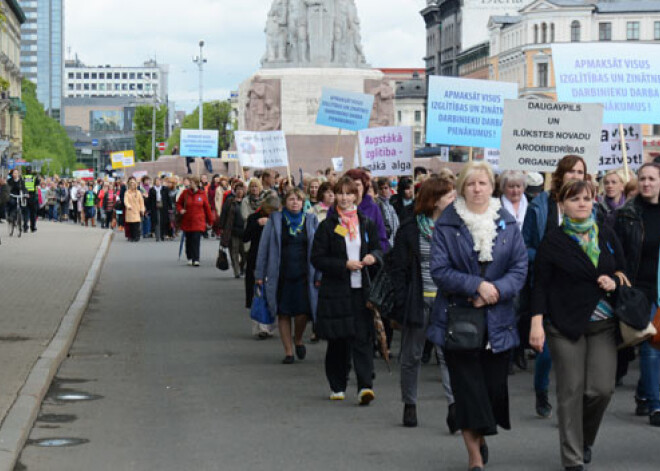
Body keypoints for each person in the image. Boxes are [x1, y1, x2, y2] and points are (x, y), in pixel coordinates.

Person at [427, 161, 527, 471]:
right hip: (458, 318)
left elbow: (520, 267)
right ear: (462, 188)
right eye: (471, 184)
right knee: (467, 390)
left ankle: (481, 436)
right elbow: (440, 270)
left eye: (483, 183)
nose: (477, 189)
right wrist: (477, 286)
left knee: (492, 389)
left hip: (497, 318)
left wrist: (495, 290)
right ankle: (474, 459)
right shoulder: (447, 223)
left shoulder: (507, 223)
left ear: (491, 186)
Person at [530, 180, 625, 471]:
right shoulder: (554, 240)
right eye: (575, 199)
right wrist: (536, 323)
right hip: (564, 325)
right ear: (562, 204)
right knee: (571, 390)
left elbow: (623, 271)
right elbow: (540, 285)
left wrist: (615, 280)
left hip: (603, 324)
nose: (582, 203)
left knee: (601, 390)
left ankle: (584, 439)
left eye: (587, 198)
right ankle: (572, 458)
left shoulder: (606, 234)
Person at [522, 154, 589, 419]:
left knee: (574, 349)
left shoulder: (590, 206)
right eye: (571, 171)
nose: (575, 176)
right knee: (547, 350)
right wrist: (546, 257)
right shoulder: (540, 205)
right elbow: (524, 244)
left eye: (580, 172)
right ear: (560, 174)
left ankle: (568, 403)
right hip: (547, 283)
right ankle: (541, 390)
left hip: (579, 287)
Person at [390, 175, 457, 429]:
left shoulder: (455, 228)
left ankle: (454, 406)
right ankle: (410, 404)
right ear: (434, 200)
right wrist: (400, 302)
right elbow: (398, 270)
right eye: (449, 196)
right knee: (412, 355)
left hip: (446, 302)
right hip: (417, 301)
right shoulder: (409, 229)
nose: (454, 200)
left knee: (448, 356)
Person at [311, 177, 382, 404]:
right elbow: (317, 258)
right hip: (337, 291)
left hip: (362, 290)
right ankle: (337, 385)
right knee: (338, 340)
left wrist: (373, 257)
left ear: (355, 196)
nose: (344, 198)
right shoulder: (328, 225)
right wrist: (343, 265)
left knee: (362, 338)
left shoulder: (366, 223)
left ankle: (364, 386)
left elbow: (379, 249)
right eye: (339, 193)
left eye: (348, 193)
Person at [614, 162, 660, 426]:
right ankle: (655, 406)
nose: (646, 183)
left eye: (652, 179)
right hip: (639, 290)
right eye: (642, 179)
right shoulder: (627, 214)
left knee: (657, 343)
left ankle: (644, 393)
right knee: (650, 346)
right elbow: (617, 251)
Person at [255, 188, 319, 363]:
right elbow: (264, 248)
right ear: (285, 202)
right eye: (291, 199)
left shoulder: (311, 220)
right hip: (281, 274)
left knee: (302, 313)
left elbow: (319, 250)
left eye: (298, 199)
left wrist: (319, 274)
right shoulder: (275, 220)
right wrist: (259, 274)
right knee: (283, 313)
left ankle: (298, 339)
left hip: (304, 274)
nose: (295, 202)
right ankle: (288, 351)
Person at [244, 194, 281, 339]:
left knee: (272, 293)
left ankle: (270, 325)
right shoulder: (254, 218)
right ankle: (260, 327)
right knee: (258, 294)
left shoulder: (280, 220)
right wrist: (257, 224)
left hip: (275, 261)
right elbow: (245, 236)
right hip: (256, 259)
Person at [344, 168, 390, 253]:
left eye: (357, 185)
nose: (354, 188)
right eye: (351, 185)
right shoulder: (336, 208)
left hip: (368, 260)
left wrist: (374, 256)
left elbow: (382, 238)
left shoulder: (373, 208)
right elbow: (333, 232)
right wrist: (346, 232)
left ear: (364, 187)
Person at [177, 176, 214, 266]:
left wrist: (210, 221)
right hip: (187, 220)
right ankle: (189, 257)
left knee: (196, 239)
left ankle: (196, 258)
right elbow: (178, 203)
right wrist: (181, 210)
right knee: (189, 240)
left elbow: (207, 208)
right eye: (190, 182)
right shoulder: (185, 193)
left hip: (198, 221)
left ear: (197, 183)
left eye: (192, 182)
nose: (190, 184)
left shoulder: (202, 194)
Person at [220, 181, 247, 277]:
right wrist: (222, 227)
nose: (240, 191)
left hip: (245, 231)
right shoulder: (230, 201)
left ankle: (241, 266)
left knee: (245, 253)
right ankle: (237, 271)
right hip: (232, 230)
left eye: (241, 189)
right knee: (234, 251)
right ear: (235, 191)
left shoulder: (246, 201)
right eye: (238, 189)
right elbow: (223, 214)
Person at [375, 177, 400, 248]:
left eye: (385, 188)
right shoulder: (377, 204)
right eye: (381, 188)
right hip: (385, 243)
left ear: (390, 189)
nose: (383, 190)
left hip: (395, 242)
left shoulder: (392, 203)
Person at [148, 177, 172, 241]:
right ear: (154, 182)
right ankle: (157, 236)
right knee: (156, 221)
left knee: (163, 221)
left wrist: (170, 207)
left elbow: (168, 198)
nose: (158, 182)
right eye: (156, 181)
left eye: (159, 181)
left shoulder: (165, 189)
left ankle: (162, 235)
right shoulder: (152, 189)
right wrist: (149, 209)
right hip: (155, 207)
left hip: (163, 207)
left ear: (161, 182)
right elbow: (149, 200)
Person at [124, 177, 144, 242]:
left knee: (136, 225)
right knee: (131, 225)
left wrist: (142, 209)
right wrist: (128, 206)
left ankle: (137, 236)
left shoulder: (138, 192)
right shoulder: (127, 193)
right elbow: (125, 201)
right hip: (130, 211)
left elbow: (141, 202)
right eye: (131, 185)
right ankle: (132, 237)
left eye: (133, 184)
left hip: (137, 211)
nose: (132, 186)